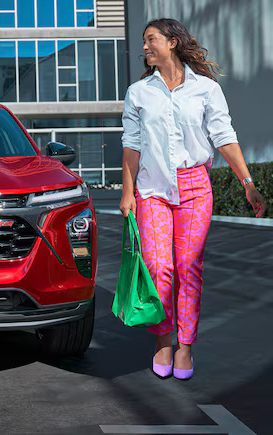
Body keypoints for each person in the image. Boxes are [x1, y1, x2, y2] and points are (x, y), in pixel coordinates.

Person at [119, 18, 266, 380]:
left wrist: (247, 182)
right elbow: (131, 146)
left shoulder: (206, 89)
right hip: (153, 189)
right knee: (158, 268)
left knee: (188, 266)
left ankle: (185, 345)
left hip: (195, 188)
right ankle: (163, 340)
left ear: (172, 42)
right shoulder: (139, 92)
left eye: (151, 40)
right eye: (144, 42)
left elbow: (224, 136)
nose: (145, 47)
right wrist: (127, 193)